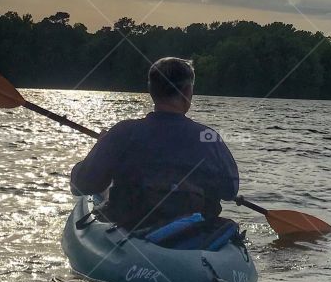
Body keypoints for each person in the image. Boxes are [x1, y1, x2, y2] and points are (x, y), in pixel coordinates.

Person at [70, 56, 240, 231]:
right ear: (188, 91)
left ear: (151, 90)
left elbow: (83, 185)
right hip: (195, 235)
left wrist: (102, 147)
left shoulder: (122, 133)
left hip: (133, 229)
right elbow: (230, 190)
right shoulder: (209, 138)